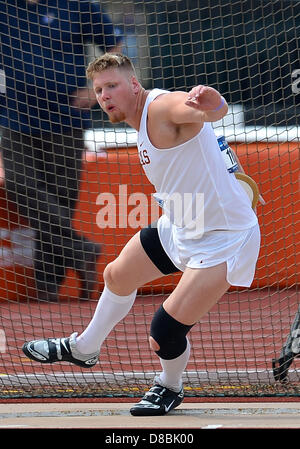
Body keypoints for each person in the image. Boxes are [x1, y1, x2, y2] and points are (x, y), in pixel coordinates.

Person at [22, 53, 261, 415]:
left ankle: (170, 386)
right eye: (99, 89)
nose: (104, 95)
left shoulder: (161, 108)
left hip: (223, 236)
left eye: (112, 85)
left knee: (163, 332)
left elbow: (198, 109)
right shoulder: (139, 122)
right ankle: (84, 347)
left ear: (134, 84)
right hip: (184, 222)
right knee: (116, 275)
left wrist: (214, 104)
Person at [0, 0, 122, 301]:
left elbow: (114, 47)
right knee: (19, 185)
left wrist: (98, 90)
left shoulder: (79, 6)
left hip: (66, 118)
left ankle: (47, 294)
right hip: (14, 117)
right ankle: (82, 250)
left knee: (61, 202)